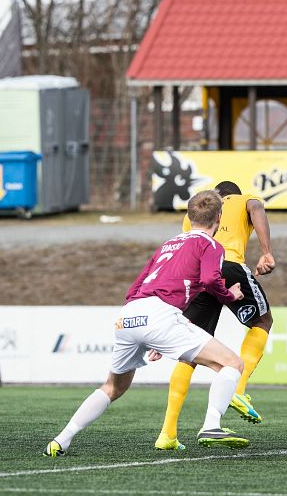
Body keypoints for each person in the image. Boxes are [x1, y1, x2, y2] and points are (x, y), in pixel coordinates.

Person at [44, 190, 250, 456]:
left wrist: (156, 334)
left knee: (113, 387)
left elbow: (136, 287)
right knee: (232, 364)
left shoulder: (168, 244)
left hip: (130, 314)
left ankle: (62, 439)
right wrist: (228, 294)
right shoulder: (210, 245)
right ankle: (211, 426)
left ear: (189, 217)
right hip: (159, 316)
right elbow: (211, 281)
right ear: (219, 217)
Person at [155, 181, 276, 451]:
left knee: (191, 351)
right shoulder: (241, 199)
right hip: (228, 265)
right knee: (262, 321)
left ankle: (167, 433)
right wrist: (266, 252)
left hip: (198, 275)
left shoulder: (193, 215)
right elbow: (256, 206)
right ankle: (238, 390)